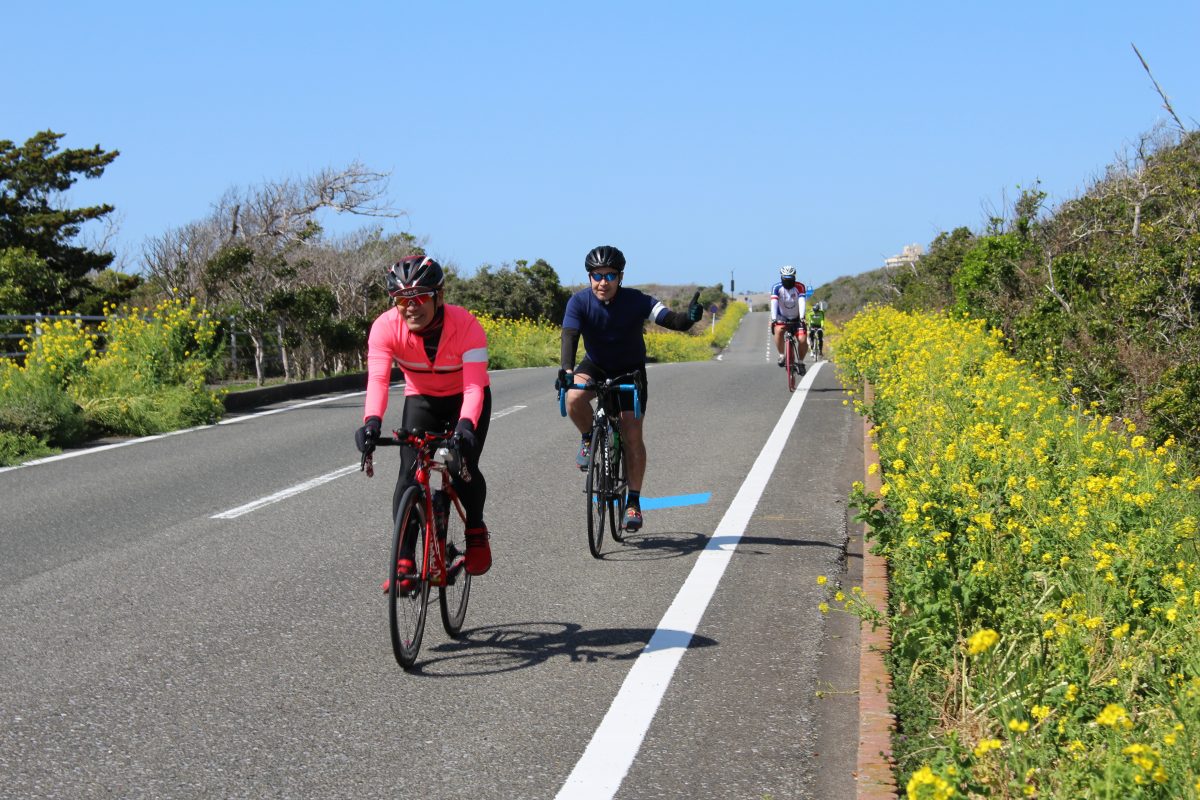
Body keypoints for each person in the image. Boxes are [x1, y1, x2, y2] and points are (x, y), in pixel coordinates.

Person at [355, 255, 493, 591]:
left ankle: (475, 530)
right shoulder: (385, 327)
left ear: (438, 296)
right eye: (402, 300)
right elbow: (378, 381)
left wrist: (465, 426)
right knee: (408, 474)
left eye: (419, 298)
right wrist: (371, 423)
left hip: (464, 398)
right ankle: (404, 560)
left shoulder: (467, 326)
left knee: (461, 466)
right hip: (422, 400)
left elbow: (474, 387)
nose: (411, 307)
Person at [555, 245, 704, 532]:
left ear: (620, 277)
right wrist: (567, 371)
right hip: (596, 365)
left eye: (610, 276)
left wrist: (689, 318)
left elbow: (670, 319)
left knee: (632, 435)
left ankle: (633, 501)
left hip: (630, 371)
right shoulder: (579, 302)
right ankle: (588, 437)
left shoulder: (637, 300)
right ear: (589, 277)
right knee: (574, 397)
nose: (603, 282)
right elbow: (569, 335)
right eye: (597, 276)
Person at [770, 266, 807, 370]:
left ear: (794, 278)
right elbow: (774, 303)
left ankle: (800, 362)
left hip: (797, 317)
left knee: (802, 340)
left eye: (790, 279)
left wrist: (802, 317)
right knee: (778, 331)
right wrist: (773, 318)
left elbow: (802, 301)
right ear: (782, 278)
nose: (788, 281)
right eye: (785, 279)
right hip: (782, 317)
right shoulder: (776, 287)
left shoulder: (800, 286)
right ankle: (782, 355)